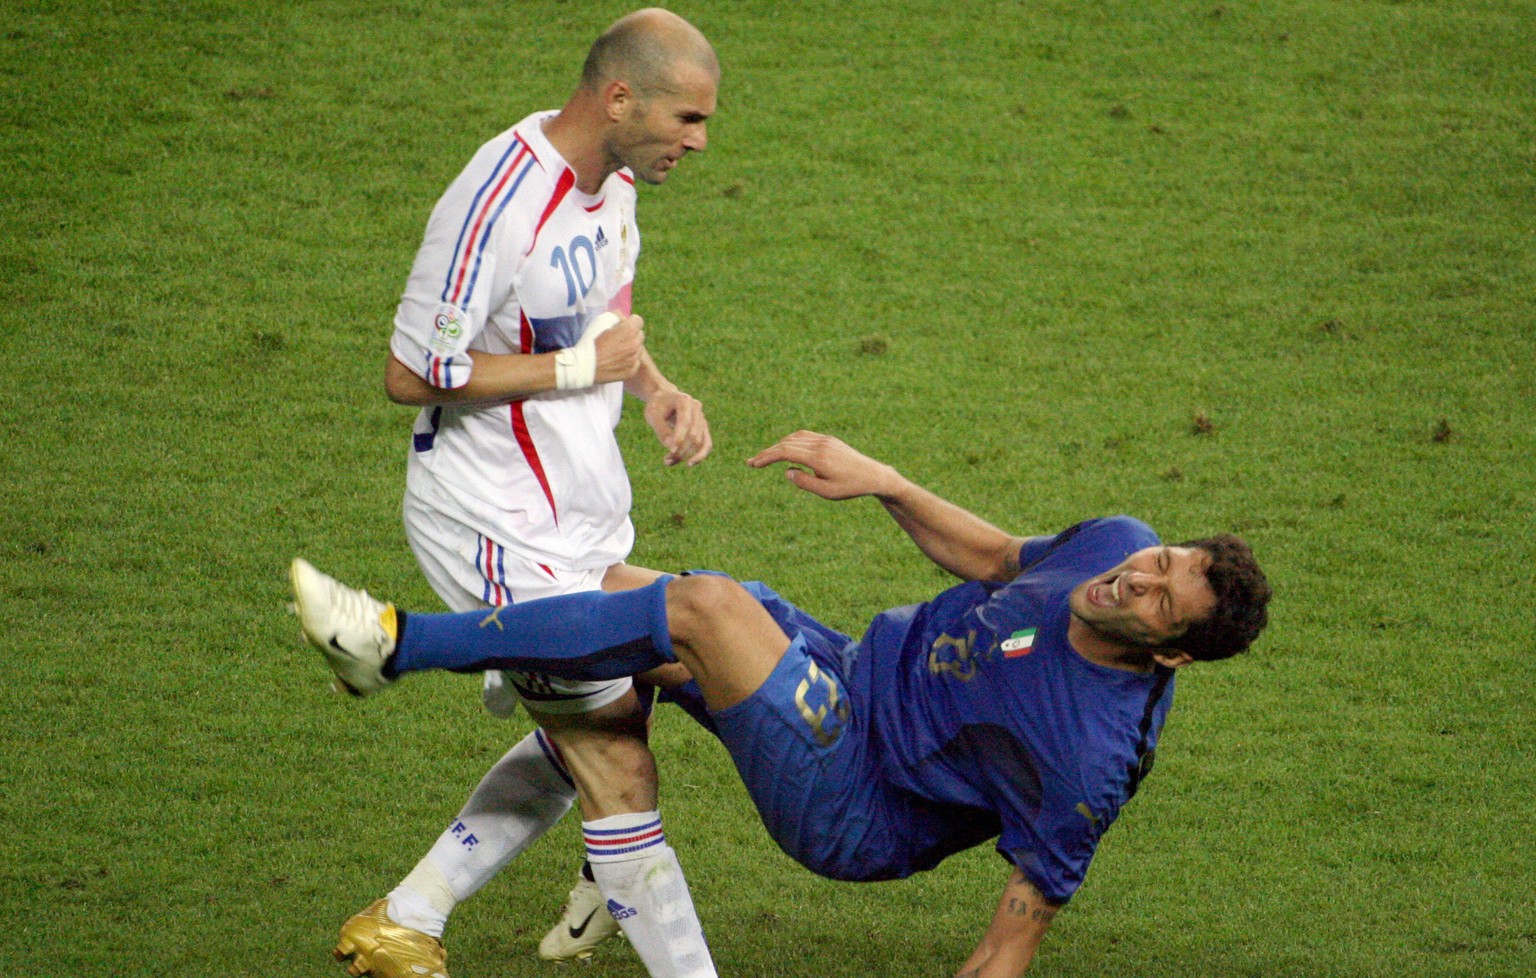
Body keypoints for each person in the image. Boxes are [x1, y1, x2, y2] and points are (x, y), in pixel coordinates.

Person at [293, 430, 1274, 978]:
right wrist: (887, 480)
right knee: (615, 601)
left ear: (1175, 655)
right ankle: (462, 899)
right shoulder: (1119, 544)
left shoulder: (1087, 760)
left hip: (854, 802)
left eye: (1158, 600)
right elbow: (996, 557)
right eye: (1162, 560)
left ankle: (395, 646)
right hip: (845, 673)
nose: (1135, 580)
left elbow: (1006, 948)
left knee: (699, 608)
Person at [336, 9, 722, 978]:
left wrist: (655, 387)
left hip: (580, 507)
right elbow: (410, 372)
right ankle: (631, 896)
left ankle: (410, 913)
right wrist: (575, 371)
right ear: (618, 97)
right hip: (492, 519)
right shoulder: (499, 198)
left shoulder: (616, 185)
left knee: (659, 666)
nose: (699, 141)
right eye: (687, 117)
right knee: (617, 756)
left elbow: (606, 320)